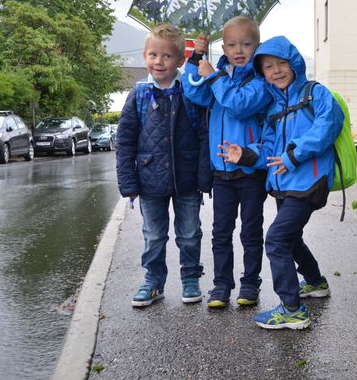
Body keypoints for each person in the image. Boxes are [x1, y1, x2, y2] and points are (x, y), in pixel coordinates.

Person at [218, 35, 344, 329]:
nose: (276, 71)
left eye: (281, 63)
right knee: (291, 238)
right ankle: (315, 282)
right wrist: (247, 155)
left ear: (294, 63)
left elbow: (327, 128)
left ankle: (292, 309)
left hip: (310, 182)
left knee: (275, 240)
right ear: (262, 73)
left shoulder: (316, 94)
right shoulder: (273, 110)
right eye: (268, 67)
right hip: (284, 185)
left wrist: (293, 156)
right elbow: (270, 149)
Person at [116, 23, 213, 307]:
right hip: (149, 181)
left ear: (181, 59)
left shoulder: (190, 91)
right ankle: (153, 281)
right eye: (153, 55)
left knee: (189, 233)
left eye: (167, 56)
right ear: (145, 56)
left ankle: (191, 277)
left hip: (187, 179)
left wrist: (204, 176)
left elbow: (204, 135)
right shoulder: (138, 94)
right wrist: (128, 183)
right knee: (154, 236)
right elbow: (125, 141)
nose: (159, 62)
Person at [182, 16, 271, 308]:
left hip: (250, 171)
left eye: (246, 43)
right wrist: (198, 57)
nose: (239, 49)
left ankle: (250, 284)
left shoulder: (260, 81)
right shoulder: (217, 71)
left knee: (250, 231)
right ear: (224, 46)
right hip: (221, 172)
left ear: (256, 45)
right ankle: (221, 285)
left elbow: (240, 104)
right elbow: (193, 91)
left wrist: (215, 77)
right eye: (231, 44)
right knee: (220, 232)